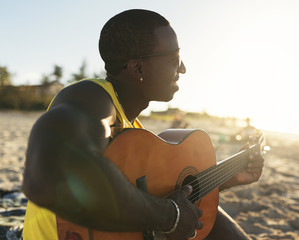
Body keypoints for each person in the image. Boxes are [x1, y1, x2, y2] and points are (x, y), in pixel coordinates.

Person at [22, 9, 264, 240]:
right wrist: (170, 216)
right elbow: (48, 173)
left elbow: (159, 196)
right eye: (174, 59)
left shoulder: (135, 131)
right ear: (138, 67)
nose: (183, 69)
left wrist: (228, 178)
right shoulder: (90, 97)